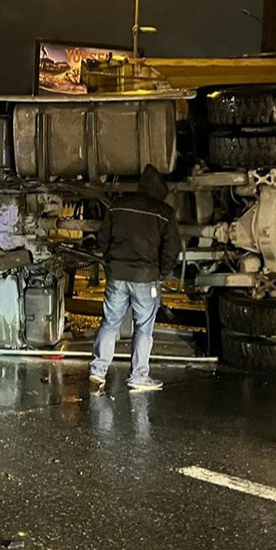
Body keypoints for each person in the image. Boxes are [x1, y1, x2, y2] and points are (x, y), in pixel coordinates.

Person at [89, 164, 181, 394]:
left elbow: (102, 239)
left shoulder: (118, 205)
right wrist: (161, 273)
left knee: (110, 323)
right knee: (143, 328)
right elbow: (172, 249)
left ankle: (98, 371)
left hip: (117, 276)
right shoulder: (164, 212)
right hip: (145, 278)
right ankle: (139, 375)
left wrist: (112, 263)